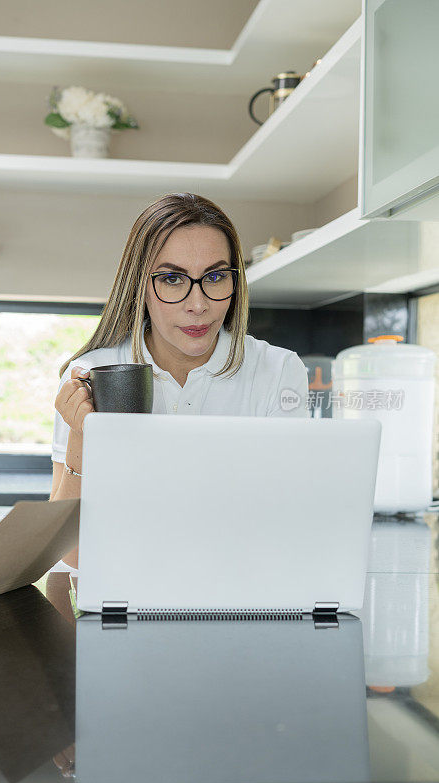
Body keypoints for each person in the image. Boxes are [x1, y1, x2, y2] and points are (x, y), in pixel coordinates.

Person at [50, 192, 310, 568]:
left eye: (215, 276)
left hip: (240, 591)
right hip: (124, 597)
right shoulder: (91, 376)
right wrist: (81, 434)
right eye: (173, 279)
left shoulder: (278, 370)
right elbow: (70, 555)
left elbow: (290, 526)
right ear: (139, 284)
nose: (198, 304)